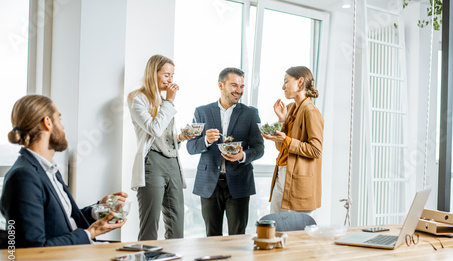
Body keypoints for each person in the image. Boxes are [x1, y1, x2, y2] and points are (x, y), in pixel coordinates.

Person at [0, 95, 128, 248]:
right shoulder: (23, 176)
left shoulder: (48, 169)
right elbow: (32, 249)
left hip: (81, 253)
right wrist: (91, 233)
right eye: (59, 119)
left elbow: (63, 221)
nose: (62, 127)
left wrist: (99, 209)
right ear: (47, 123)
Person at [187, 67, 264, 236]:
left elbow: (259, 148)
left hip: (239, 182)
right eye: (234, 85)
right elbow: (190, 147)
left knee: (237, 236)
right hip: (209, 184)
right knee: (212, 236)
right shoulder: (201, 112)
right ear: (220, 85)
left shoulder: (251, 114)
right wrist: (206, 140)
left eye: (242, 86)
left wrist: (242, 156)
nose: (239, 91)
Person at [128, 55, 193, 241]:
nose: (170, 80)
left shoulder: (164, 102)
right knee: (150, 225)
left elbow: (165, 137)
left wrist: (181, 137)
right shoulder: (137, 98)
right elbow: (154, 129)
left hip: (172, 162)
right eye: (166, 75)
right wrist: (169, 102)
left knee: (177, 224)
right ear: (152, 73)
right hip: (152, 163)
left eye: (172, 76)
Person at [262, 66, 324, 215]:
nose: (283, 87)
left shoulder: (311, 111)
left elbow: (316, 150)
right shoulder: (289, 109)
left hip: (299, 181)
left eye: (286, 82)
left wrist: (287, 140)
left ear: (300, 82)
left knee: (297, 233)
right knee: (274, 226)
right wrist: (282, 121)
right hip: (281, 173)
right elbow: (281, 147)